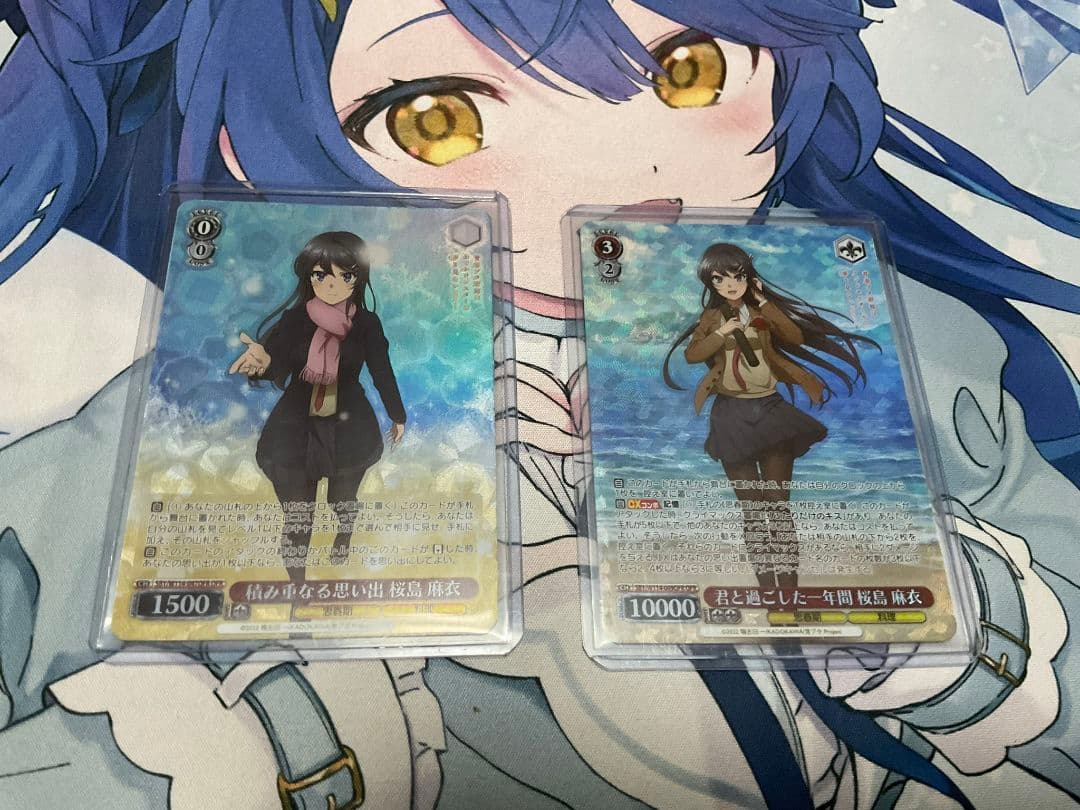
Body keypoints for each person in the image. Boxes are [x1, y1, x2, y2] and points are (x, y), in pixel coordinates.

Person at [664, 242, 876, 588]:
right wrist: (721, 333)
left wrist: (764, 302)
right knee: (752, 510)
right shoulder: (712, 318)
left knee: (778, 506)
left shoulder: (760, 310)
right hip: (731, 414)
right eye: (720, 279)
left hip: (770, 410)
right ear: (711, 283)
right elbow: (692, 355)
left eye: (737, 276)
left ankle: (789, 588)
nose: (730, 284)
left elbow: (794, 336)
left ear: (748, 277)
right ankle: (766, 589)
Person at [228, 230, 406, 580]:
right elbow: (277, 362)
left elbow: (381, 371)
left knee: (342, 499)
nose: (332, 285)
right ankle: (298, 590)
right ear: (308, 276)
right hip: (296, 427)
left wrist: (397, 416)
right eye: (321, 275)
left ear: (359, 277)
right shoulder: (296, 319)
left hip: (349, 426)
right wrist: (264, 362)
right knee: (298, 517)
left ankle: (344, 531)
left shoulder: (366, 324)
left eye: (345, 275)